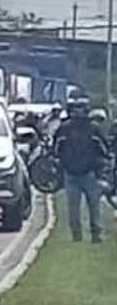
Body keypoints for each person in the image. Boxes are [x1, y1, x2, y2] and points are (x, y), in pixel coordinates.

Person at [54, 97, 111, 243]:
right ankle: (96, 235)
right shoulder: (94, 128)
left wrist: (62, 163)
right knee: (93, 205)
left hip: (73, 172)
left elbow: (55, 150)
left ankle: (77, 236)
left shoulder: (64, 128)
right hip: (89, 172)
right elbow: (104, 149)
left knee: (74, 207)